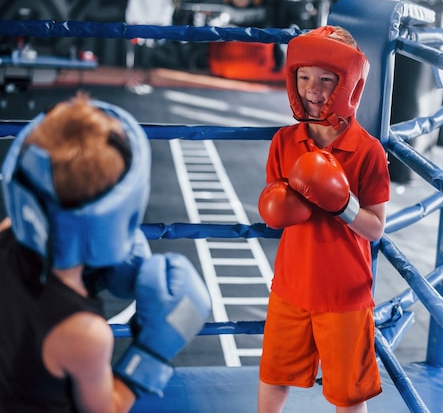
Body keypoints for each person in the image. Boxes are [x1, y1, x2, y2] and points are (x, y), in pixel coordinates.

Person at [0, 93, 211, 412]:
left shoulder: (6, 230)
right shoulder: (84, 332)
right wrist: (152, 353)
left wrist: (92, 267)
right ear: (119, 211)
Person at [257, 26, 391, 413]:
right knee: (273, 376)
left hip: (345, 294)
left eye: (326, 79)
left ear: (347, 83)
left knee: (348, 395)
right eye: (304, 77)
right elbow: (274, 212)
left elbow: (376, 227)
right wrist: (277, 205)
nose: (313, 90)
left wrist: (342, 204)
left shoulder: (367, 151)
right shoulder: (284, 142)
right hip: (291, 286)